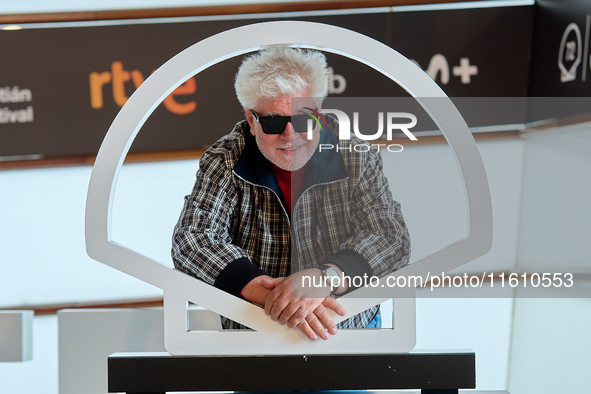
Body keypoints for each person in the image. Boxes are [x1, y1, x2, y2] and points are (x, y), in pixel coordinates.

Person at [172, 45, 410, 341]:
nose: (290, 134)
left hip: (347, 335)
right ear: (251, 120)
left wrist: (325, 278)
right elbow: (192, 239)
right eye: (273, 121)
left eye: (302, 118)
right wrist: (267, 292)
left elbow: (390, 237)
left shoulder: (355, 154)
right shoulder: (225, 158)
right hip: (254, 339)